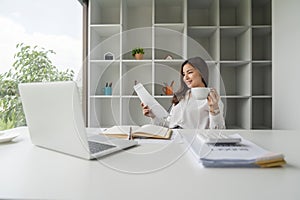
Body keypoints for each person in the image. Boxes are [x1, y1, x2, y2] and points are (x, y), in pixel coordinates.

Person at [141, 56, 225, 129]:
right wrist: (153, 116)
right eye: (184, 74)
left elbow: (218, 133)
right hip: (174, 139)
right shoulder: (181, 96)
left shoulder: (212, 99)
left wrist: (214, 109)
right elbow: (169, 125)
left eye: (190, 72)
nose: (186, 78)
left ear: (202, 73)